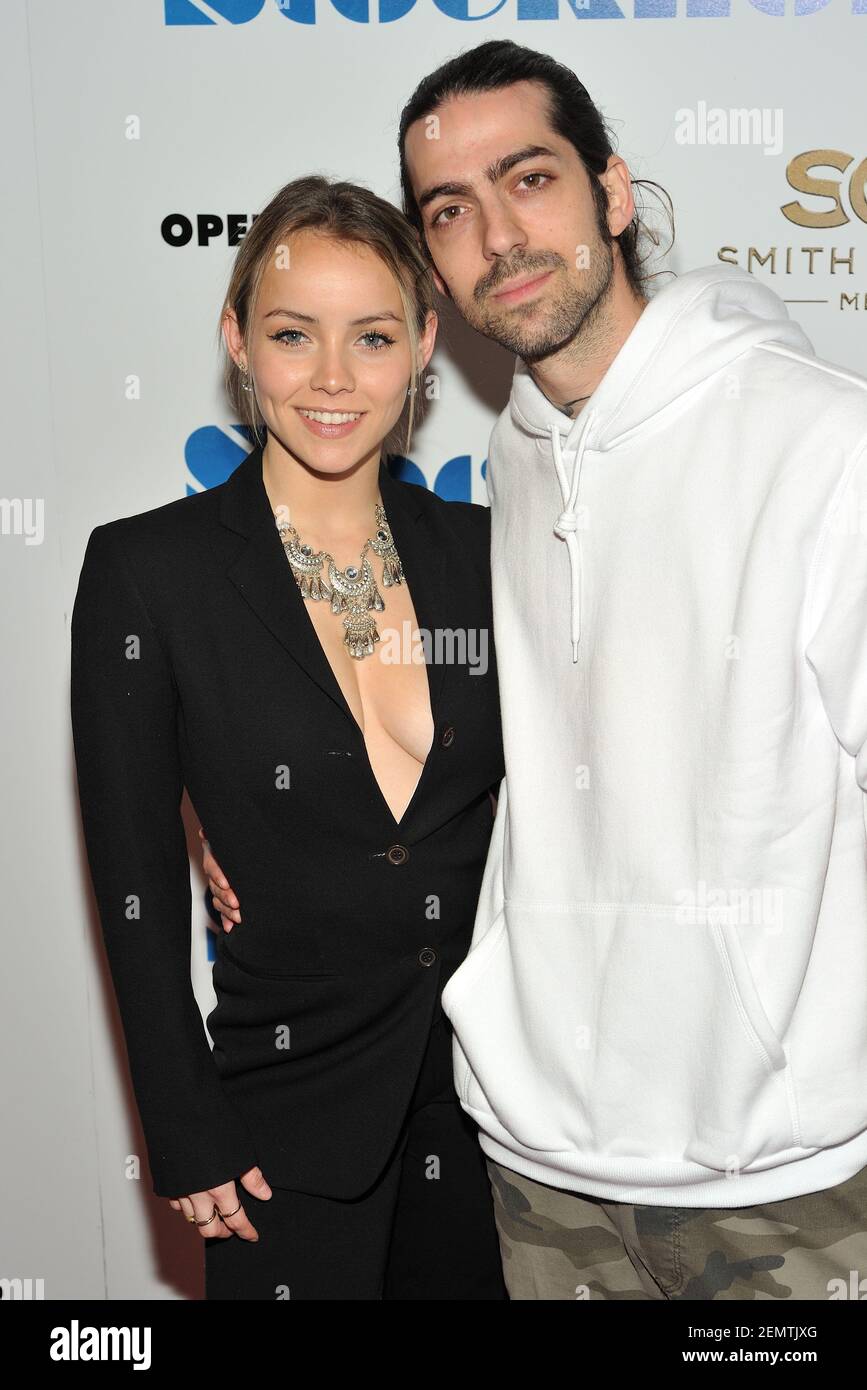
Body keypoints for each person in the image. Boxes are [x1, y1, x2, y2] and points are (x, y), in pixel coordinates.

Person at [209, 39, 867, 1300]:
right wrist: (212, 803)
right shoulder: (507, 464)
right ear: (433, 269)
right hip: (530, 1167)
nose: (498, 235)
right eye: (450, 210)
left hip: (778, 1181)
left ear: (613, 195)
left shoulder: (820, 441)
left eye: (530, 179)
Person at [70, 174, 507, 1300]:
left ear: (423, 345)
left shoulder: (493, 554)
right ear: (236, 339)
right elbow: (129, 880)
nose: (329, 378)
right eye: (290, 333)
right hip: (283, 1115)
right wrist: (182, 1123)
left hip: (501, 1113)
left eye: (370, 336)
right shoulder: (147, 571)